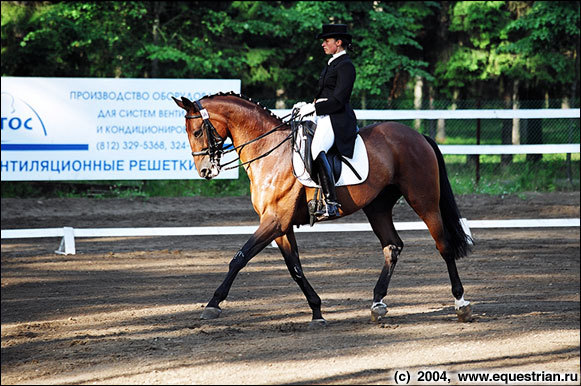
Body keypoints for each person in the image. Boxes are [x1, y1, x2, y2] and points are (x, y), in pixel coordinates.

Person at [296, 23, 358, 219]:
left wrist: (315, 107)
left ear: (338, 43)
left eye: (327, 41)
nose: (323, 44)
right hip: (323, 114)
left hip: (337, 117)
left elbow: (339, 100)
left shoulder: (346, 66)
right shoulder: (332, 63)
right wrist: (307, 106)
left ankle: (331, 202)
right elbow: (324, 94)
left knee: (316, 150)